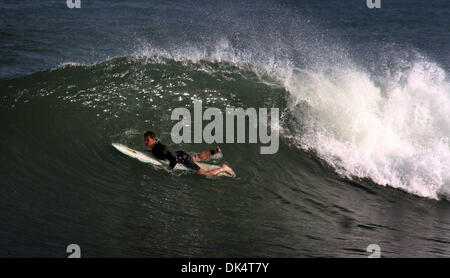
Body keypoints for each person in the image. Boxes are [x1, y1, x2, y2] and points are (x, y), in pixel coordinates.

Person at [144, 131, 234, 177]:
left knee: (206, 174)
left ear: (154, 139)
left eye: (147, 140)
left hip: (181, 158)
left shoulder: (161, 148)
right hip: (180, 155)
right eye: (145, 140)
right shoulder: (156, 146)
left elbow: (174, 159)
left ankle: (223, 168)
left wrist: (169, 169)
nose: (145, 142)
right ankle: (214, 152)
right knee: (194, 158)